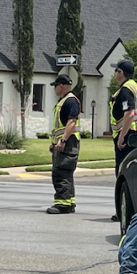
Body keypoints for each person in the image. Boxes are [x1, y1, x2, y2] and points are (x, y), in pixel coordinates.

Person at [108, 60, 137, 221]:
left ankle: (123, 211)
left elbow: (129, 114)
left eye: (116, 70)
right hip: (136, 135)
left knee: (122, 173)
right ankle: (132, 209)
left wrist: (121, 136)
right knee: (132, 173)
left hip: (127, 137)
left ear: (121, 73)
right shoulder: (136, 87)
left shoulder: (125, 90)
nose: (114, 74)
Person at [46, 73, 80, 214]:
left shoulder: (70, 101)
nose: (54, 89)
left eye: (55, 86)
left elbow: (71, 122)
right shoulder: (64, 101)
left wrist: (63, 140)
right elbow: (60, 126)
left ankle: (62, 204)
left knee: (61, 173)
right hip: (64, 143)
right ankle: (69, 202)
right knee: (66, 173)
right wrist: (54, 142)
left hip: (67, 143)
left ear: (61, 86)